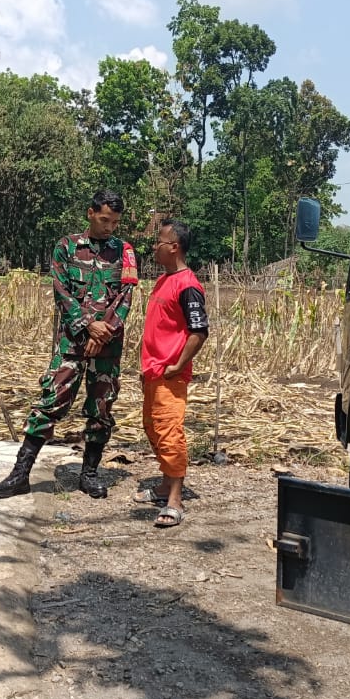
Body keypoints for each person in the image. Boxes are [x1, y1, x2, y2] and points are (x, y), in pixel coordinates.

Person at [0, 189, 137, 500]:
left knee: (101, 409)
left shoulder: (124, 251)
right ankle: (20, 475)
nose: (110, 227)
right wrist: (87, 328)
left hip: (107, 348)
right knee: (49, 404)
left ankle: (90, 474)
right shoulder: (66, 247)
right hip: (72, 344)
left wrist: (103, 332)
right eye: (105, 219)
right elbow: (62, 292)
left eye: (115, 222)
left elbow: (125, 298)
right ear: (90, 213)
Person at [134, 219, 209, 528]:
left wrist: (178, 365)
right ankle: (166, 484)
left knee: (169, 431)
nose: (155, 247)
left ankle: (174, 499)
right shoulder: (164, 280)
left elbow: (199, 330)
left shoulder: (188, 285)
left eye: (160, 242)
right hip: (153, 371)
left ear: (174, 247)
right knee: (152, 427)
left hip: (169, 374)